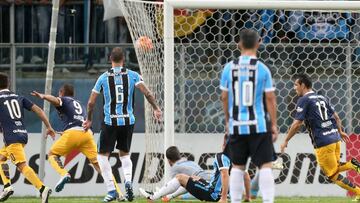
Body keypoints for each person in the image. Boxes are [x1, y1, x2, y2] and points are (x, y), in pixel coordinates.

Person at [83, 47, 162, 202]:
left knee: (101, 156)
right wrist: (156, 109)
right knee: (124, 154)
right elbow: (148, 93)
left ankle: (111, 190)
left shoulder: (103, 78)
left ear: (110, 59)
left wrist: (90, 119)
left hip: (110, 121)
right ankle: (127, 181)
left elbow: (91, 102)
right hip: (128, 120)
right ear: (123, 59)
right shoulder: (133, 75)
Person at [280, 74, 360, 201]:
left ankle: (358, 192)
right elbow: (336, 117)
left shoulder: (304, 100)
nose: (294, 87)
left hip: (323, 142)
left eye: (296, 85)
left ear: (303, 85)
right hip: (335, 138)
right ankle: (352, 164)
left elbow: (296, 124)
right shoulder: (322, 97)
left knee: (332, 175)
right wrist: (340, 131)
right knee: (336, 166)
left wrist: (286, 140)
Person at [220, 29, 278, 203]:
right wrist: (273, 124)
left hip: (237, 125)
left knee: (237, 166)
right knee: (265, 165)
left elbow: (224, 96)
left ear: (239, 44)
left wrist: (228, 120)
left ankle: (236, 201)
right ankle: (268, 201)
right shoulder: (263, 69)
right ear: (258, 43)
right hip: (259, 125)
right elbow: (270, 98)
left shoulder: (229, 68)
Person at [30, 84, 104, 193]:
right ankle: (118, 192)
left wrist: (43, 96)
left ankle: (64, 174)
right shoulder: (79, 104)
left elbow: (55, 100)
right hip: (87, 134)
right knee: (99, 165)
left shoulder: (63, 100)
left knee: (52, 154)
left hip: (73, 134)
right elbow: (79, 122)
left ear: (61, 92)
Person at [0, 72, 55, 203]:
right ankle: (7, 186)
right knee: (1, 159)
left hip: (11, 137)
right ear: (8, 83)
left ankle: (42, 189)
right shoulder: (19, 97)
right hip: (22, 134)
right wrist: (49, 126)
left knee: (22, 166)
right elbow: (39, 110)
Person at [140, 143, 231, 203]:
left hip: (212, 189)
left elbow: (184, 185)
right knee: (183, 180)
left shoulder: (175, 167)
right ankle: (159, 195)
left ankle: (153, 196)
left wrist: (170, 195)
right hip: (208, 180)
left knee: (180, 178)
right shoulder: (190, 163)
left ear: (168, 160)